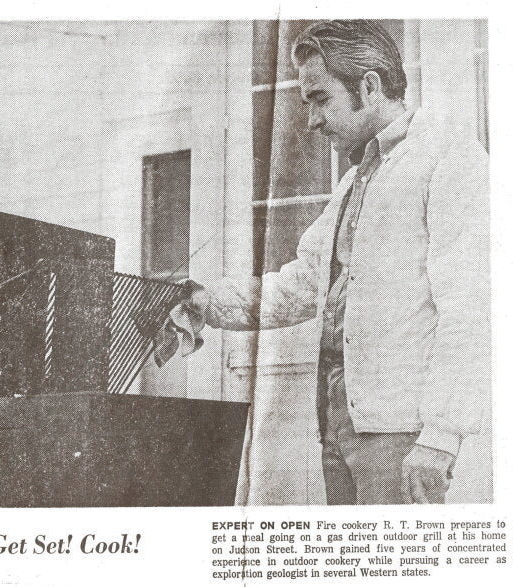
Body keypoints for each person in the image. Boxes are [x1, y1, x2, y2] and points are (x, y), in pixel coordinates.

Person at [182, 20, 489, 505]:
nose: (311, 121)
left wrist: (441, 437)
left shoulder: (448, 159)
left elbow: (474, 309)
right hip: (338, 423)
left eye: (320, 99)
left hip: (403, 433)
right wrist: (206, 302)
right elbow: (304, 284)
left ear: (369, 86)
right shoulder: (355, 183)